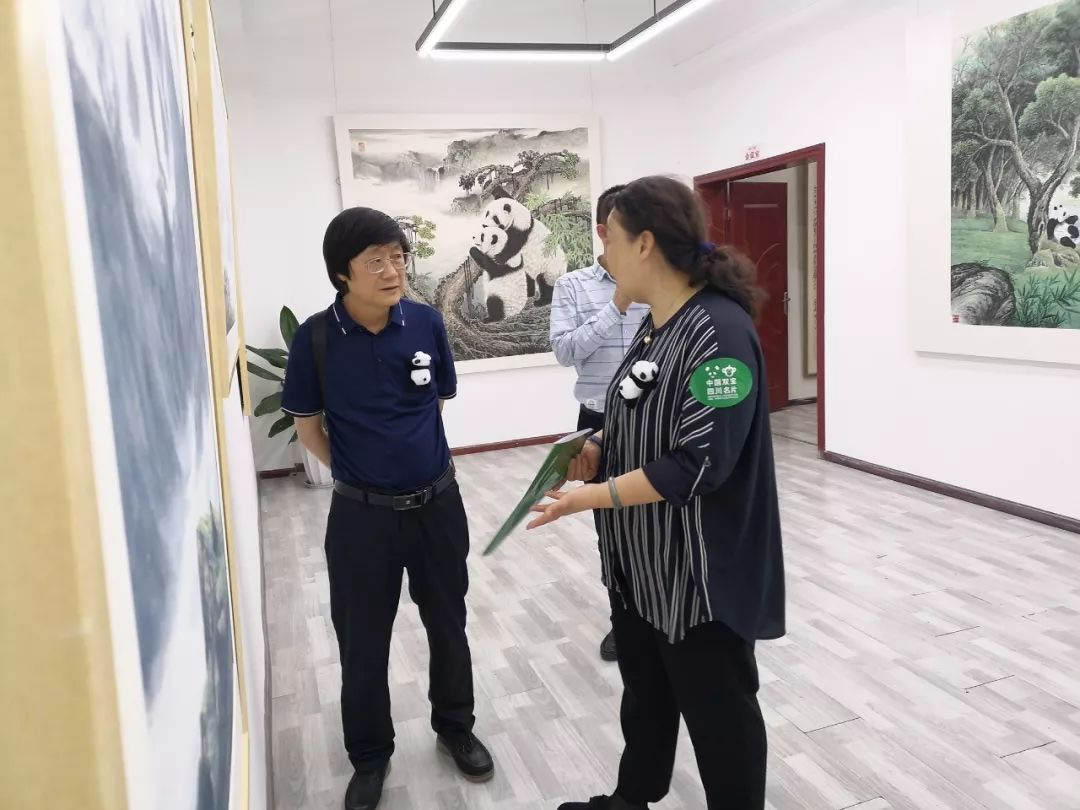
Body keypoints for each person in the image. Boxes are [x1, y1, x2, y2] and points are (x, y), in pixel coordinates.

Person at [528, 177, 786, 810]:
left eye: (611, 239)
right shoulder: (656, 326)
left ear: (644, 244)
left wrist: (589, 498)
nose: (604, 253)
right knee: (646, 697)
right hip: (641, 566)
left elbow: (700, 464)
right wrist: (595, 449)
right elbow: (633, 414)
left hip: (698, 577)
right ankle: (632, 797)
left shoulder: (719, 333)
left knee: (721, 719)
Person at [282, 207, 494, 810]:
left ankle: (455, 726)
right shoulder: (316, 340)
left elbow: (437, 404)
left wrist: (410, 461)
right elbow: (307, 427)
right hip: (361, 518)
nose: (392, 270)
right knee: (362, 641)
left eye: (398, 257)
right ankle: (370, 756)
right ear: (342, 273)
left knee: (448, 623)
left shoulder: (426, 322)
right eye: (374, 260)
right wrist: (361, 474)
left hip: (437, 504)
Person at [549, 184, 650, 662]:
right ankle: (623, 622)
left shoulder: (658, 282)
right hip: (598, 420)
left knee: (653, 517)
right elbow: (566, 351)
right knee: (610, 527)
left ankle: (657, 613)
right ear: (603, 232)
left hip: (652, 417)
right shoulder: (572, 286)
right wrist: (617, 306)